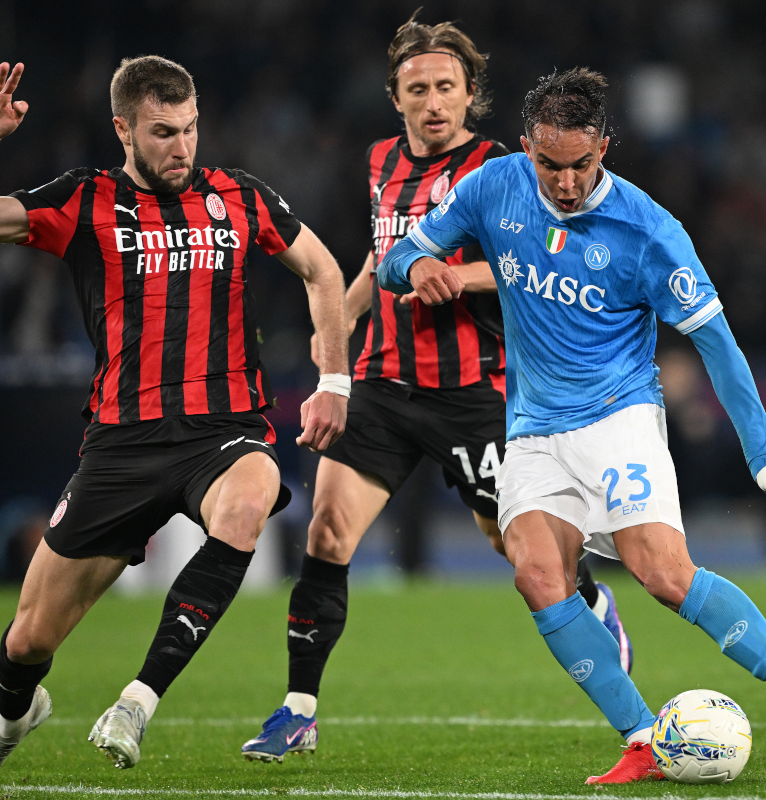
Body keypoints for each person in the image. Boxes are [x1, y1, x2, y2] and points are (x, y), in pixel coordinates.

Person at [378, 68, 766, 783]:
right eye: (550, 164)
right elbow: (397, 255)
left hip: (618, 420)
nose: (566, 181)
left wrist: (763, 452)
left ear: (605, 147)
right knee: (536, 573)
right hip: (532, 429)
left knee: (664, 576)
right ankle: (642, 737)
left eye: (582, 164)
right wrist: (419, 266)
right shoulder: (494, 186)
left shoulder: (649, 231)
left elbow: (718, 344)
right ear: (527, 147)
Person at [0, 56, 348, 785]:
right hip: (121, 444)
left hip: (224, 430)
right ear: (122, 129)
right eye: (161, 133)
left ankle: (137, 700)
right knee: (28, 641)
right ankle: (11, 717)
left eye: (188, 130)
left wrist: (335, 380)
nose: (181, 147)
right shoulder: (84, 201)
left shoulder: (239, 198)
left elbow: (324, 270)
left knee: (250, 502)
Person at [241, 14, 632, 765]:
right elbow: (380, 255)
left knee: (520, 554)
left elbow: (555, 258)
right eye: (417, 89)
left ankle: (591, 602)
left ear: (470, 92)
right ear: (396, 97)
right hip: (383, 388)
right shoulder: (381, 160)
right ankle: (299, 709)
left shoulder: (504, 169)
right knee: (326, 534)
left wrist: (462, 277)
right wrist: (338, 330)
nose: (432, 102)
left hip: (475, 395)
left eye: (446, 87)